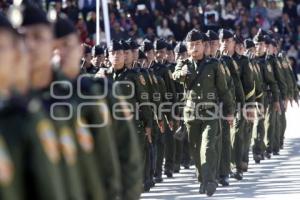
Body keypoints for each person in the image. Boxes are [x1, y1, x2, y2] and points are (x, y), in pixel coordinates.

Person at [54, 14, 122, 200]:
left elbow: (117, 151)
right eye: (55, 47)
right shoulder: (32, 95)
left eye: (67, 46)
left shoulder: (94, 90)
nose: (60, 53)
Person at [173, 29, 234, 196]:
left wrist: (229, 111)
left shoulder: (214, 65)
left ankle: (209, 180)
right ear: (187, 46)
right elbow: (175, 75)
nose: (194, 47)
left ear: (203, 45)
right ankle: (202, 178)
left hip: (210, 113)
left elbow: (224, 89)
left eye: (197, 44)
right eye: (191, 45)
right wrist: (182, 74)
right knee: (195, 149)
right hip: (191, 114)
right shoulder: (183, 63)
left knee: (207, 147)